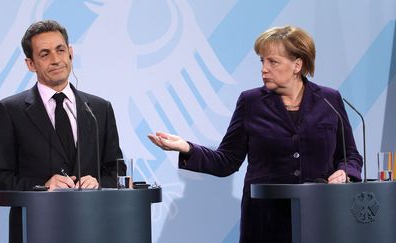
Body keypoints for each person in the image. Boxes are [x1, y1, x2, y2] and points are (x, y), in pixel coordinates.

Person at [148, 25, 362, 243]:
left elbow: (350, 156)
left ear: (297, 65)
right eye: (262, 61)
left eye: (273, 62)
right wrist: (187, 148)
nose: (264, 69)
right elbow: (226, 160)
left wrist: (345, 173)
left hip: (320, 218)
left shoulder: (329, 100)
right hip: (266, 222)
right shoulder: (250, 102)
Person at [0, 20, 124, 243]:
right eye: (45, 54)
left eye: (60, 50)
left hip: (94, 228)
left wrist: (97, 183)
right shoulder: (10, 110)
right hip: (36, 228)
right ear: (31, 64)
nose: (56, 60)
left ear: (70, 53)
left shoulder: (99, 108)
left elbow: (117, 171)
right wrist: (42, 186)